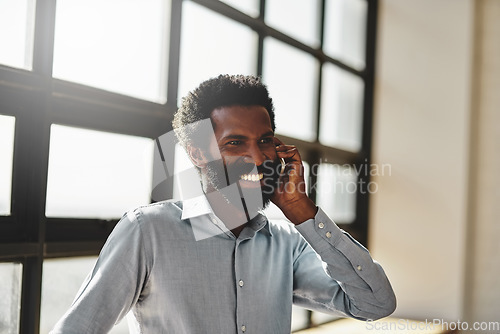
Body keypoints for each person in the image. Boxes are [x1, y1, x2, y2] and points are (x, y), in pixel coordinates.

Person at [51, 74, 396, 333]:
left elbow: (376, 303)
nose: (258, 157)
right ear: (198, 152)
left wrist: (301, 210)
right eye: (235, 143)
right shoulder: (148, 231)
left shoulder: (287, 245)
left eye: (264, 141)